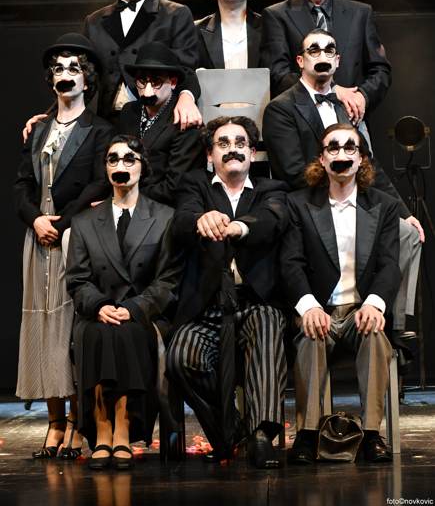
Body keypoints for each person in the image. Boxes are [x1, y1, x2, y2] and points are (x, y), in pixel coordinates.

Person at [263, 28, 423, 332]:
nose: (322, 56)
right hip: (309, 204)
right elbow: (291, 171)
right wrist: (341, 190)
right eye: (314, 51)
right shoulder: (281, 107)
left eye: (329, 51)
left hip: (351, 195)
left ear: (337, 61)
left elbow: (368, 162)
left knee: (409, 233)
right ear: (300, 60)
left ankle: (392, 323)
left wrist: (404, 212)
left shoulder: (344, 106)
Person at [166, 116, 289, 469]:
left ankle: (261, 436)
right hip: (207, 306)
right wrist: (200, 220)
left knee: (268, 323)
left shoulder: (271, 189)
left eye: (239, 143)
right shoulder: (195, 184)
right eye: (223, 143)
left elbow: (273, 218)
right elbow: (182, 219)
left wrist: (239, 227)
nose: (232, 149)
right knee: (180, 358)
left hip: (255, 302)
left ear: (252, 152)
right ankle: (233, 430)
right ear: (210, 155)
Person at [14, 33, 113, 459]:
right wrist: (34, 219)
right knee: (39, 324)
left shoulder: (99, 129)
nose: (65, 75)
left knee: (69, 327)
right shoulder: (38, 128)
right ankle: (53, 422)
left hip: (73, 234)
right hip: (38, 236)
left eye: (74, 68)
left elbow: (97, 183)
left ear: (87, 79)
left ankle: (75, 422)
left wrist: (61, 221)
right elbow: (22, 184)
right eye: (58, 68)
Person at [282, 122, 401, 463]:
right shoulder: (298, 203)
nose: (342, 154)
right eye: (333, 147)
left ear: (361, 158)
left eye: (350, 148)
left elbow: (389, 265)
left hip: (359, 310)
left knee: (374, 334)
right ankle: (306, 435)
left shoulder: (383, 205)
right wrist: (308, 307)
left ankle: (372, 435)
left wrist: (375, 304)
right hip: (319, 308)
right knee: (311, 334)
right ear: (321, 158)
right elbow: (290, 263)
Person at [66, 135, 184, 470]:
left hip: (143, 313)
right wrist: (99, 306)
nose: (121, 165)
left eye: (129, 159)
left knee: (126, 332)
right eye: (113, 159)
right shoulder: (84, 221)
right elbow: (77, 279)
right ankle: (102, 429)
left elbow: (168, 278)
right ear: (106, 169)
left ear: (142, 168)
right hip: (98, 312)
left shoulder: (165, 217)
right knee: (95, 332)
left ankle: (123, 426)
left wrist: (132, 308)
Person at [23, 0, 202, 139]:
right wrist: (50, 116)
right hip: (109, 122)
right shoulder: (94, 21)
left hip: (158, 119)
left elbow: (186, 67)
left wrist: (187, 98)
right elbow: (81, 74)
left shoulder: (175, 14)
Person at [260, 0, 392, 126]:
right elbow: (277, 75)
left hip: (351, 120)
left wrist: (361, 97)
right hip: (302, 121)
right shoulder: (277, 15)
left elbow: (380, 70)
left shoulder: (361, 13)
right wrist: (331, 91)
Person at [119, 42, 204, 206]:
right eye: (141, 81)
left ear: (173, 82)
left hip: (165, 208)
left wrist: (125, 197)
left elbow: (174, 188)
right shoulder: (129, 111)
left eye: (156, 82)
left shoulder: (185, 121)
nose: (147, 91)